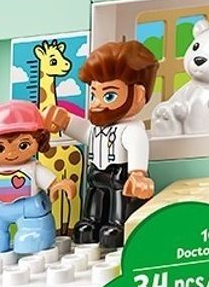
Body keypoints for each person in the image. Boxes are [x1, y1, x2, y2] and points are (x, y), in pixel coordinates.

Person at [43, 40, 159, 249]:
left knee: (120, 199)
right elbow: (85, 131)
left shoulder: (132, 129)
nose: (97, 103)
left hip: (120, 176)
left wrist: (138, 174)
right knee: (95, 196)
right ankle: (91, 221)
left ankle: (118, 224)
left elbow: (137, 149)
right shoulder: (96, 128)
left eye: (109, 96)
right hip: (96, 173)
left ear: (138, 95)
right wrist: (65, 120)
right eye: (94, 94)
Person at [0, 101, 76, 257]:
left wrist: (56, 186)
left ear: (39, 140)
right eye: (0, 148)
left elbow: (50, 183)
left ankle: (35, 234)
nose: (11, 154)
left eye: (23, 145)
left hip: (29, 208)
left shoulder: (34, 169)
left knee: (31, 236)